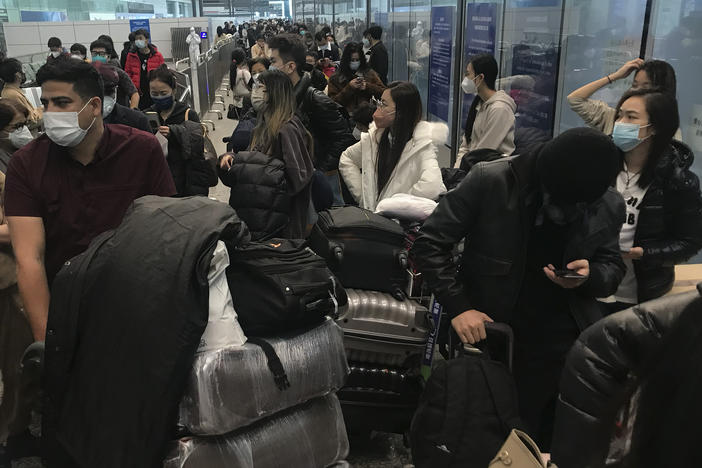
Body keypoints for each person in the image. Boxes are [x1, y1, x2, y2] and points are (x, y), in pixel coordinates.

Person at [410, 127, 627, 449]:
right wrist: (460, 307)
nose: (570, 212)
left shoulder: (606, 201)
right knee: (490, 436)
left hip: (567, 339)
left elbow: (612, 265)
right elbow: (429, 245)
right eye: (565, 203)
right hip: (495, 331)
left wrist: (591, 275)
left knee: (554, 440)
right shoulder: (491, 180)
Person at [3, 59, 175, 343]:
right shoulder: (27, 165)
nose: (50, 114)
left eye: (61, 103)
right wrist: (47, 343)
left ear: (94, 106)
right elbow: (29, 259)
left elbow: (167, 233)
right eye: (46, 104)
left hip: (139, 302)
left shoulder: (141, 150)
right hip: (68, 310)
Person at [599, 88, 702, 313]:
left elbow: (689, 242)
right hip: (592, 284)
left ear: (655, 127)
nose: (620, 122)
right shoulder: (599, 164)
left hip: (638, 294)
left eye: (631, 117)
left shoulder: (678, 182)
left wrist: (645, 253)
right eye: (620, 114)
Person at [219, 69, 314, 240]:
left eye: (260, 88)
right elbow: (252, 163)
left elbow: (298, 178)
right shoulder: (260, 128)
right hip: (259, 216)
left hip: (280, 223)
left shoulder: (287, 129)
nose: (254, 93)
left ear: (274, 93)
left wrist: (252, 166)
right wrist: (233, 160)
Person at [268, 33, 356, 206]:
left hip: (311, 184)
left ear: (290, 66)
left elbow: (343, 138)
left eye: (273, 62)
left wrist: (318, 171)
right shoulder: (278, 98)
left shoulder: (315, 99)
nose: (269, 68)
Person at [339, 82, 446, 210]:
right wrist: (362, 196)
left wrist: (395, 207)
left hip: (396, 225)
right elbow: (347, 158)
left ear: (401, 112)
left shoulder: (422, 147)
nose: (377, 109)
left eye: (384, 104)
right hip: (373, 220)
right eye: (379, 102)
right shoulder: (375, 137)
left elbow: (432, 187)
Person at [0, 99, 34, 464]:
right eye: (17, 124)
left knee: (16, 365)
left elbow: (16, 228)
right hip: (7, 283)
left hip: (8, 280)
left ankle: (13, 433)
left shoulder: (10, 168)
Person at [567, 58, 680, 138]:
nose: (637, 91)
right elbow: (575, 99)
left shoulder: (670, 133)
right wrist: (615, 76)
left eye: (646, 88)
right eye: (634, 85)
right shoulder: (611, 118)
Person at [145, 64, 211, 197]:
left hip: (185, 180)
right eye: (154, 93)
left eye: (163, 93)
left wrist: (174, 133)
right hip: (158, 180)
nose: (159, 97)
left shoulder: (188, 114)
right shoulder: (146, 115)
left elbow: (197, 145)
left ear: (174, 90)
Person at [455, 53, 516, 168]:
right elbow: (465, 146)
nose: (465, 79)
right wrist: (456, 171)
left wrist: (461, 178)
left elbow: (482, 154)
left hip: (489, 173)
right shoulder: (479, 104)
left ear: (480, 78)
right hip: (472, 168)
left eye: (468, 74)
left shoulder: (500, 110)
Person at [328, 42, 385, 115]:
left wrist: (368, 87)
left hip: (367, 117)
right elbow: (332, 103)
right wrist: (349, 88)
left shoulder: (369, 73)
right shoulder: (336, 78)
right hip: (345, 118)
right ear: (347, 60)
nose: (355, 62)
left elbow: (384, 92)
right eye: (352, 60)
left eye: (357, 60)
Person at [93, 63, 149, 132]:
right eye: (97, 92)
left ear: (116, 89)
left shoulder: (137, 121)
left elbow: (134, 94)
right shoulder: (77, 123)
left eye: (109, 91)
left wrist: (133, 111)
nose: (103, 97)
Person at [91, 40, 140, 109]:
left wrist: (132, 112)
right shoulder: (89, 74)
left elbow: (134, 94)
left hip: (119, 113)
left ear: (108, 57)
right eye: (94, 54)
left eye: (101, 54)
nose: (97, 56)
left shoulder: (118, 73)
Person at [124, 28, 165, 110]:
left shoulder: (157, 55)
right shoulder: (131, 55)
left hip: (154, 92)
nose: (138, 41)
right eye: (136, 39)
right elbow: (127, 73)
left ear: (147, 40)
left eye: (140, 38)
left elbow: (163, 73)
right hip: (138, 93)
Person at [0, 58, 42, 131]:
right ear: (18, 75)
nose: (25, 71)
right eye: (23, 69)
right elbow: (30, 121)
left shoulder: (11, 91)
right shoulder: (13, 95)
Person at [230, 48, 251, 114]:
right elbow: (252, 87)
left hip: (237, 103)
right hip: (246, 104)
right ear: (243, 59)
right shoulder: (244, 73)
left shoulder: (232, 72)